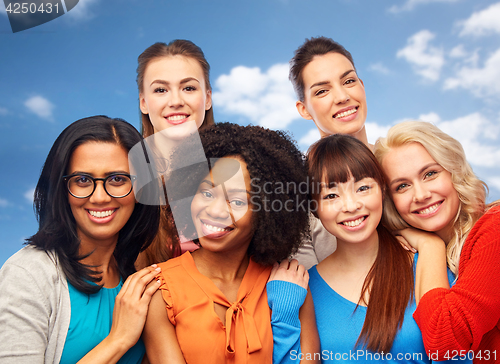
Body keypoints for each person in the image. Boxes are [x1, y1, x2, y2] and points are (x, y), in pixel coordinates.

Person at [142, 123, 319, 363]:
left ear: (266, 213)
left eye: (236, 201)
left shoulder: (290, 284)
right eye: (206, 193)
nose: (214, 210)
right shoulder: (160, 291)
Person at [0, 116, 161, 364]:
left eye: (117, 179)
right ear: (62, 190)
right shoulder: (28, 274)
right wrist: (119, 340)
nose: (99, 197)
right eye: (82, 180)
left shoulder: (137, 275)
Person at [305, 134, 468, 363]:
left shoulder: (427, 261)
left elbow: (454, 355)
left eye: (362, 188)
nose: (351, 206)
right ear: (315, 208)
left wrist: (431, 246)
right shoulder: (306, 288)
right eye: (331, 195)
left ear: (382, 190)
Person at [374, 121, 500, 362]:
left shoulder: (495, 227)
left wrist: (430, 246)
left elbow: (445, 340)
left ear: (454, 171)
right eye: (402, 186)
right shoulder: (412, 259)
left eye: (430, 174)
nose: (421, 195)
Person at [289, 36, 370, 269]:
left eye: (349, 81)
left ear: (362, 86)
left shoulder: (400, 160)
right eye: (322, 91)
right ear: (304, 109)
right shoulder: (297, 188)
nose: (342, 97)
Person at [135, 39, 215, 268]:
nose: (176, 101)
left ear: (207, 98)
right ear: (143, 102)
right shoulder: (124, 174)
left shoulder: (237, 167)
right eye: (161, 90)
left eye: (188, 88)